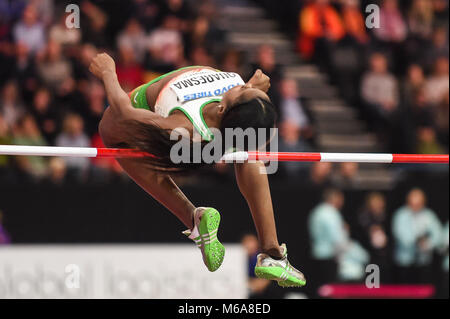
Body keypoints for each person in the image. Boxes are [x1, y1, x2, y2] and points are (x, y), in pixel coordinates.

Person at [89, 53, 306, 287]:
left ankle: (193, 218)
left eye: (244, 91)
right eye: (251, 92)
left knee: (113, 136)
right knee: (249, 150)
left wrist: (108, 71)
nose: (244, 86)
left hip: (158, 119)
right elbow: (249, 106)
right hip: (215, 135)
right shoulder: (240, 111)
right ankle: (272, 254)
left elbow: (124, 113)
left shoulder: (185, 126)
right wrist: (254, 89)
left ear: (223, 108)